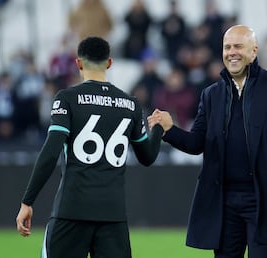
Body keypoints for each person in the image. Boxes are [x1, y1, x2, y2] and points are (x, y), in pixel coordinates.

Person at [148, 25, 267, 258]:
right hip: (223, 200)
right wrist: (170, 129)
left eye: (238, 46)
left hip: (265, 197)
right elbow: (196, 144)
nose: (232, 52)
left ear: (254, 52)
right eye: (227, 47)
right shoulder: (211, 95)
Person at [16, 37, 164, 258]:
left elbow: (50, 152)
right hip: (113, 216)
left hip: (71, 211)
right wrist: (160, 129)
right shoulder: (130, 104)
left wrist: (28, 201)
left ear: (78, 64)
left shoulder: (67, 99)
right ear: (109, 63)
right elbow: (148, 156)